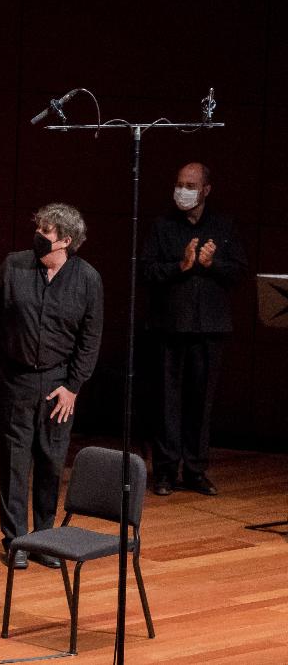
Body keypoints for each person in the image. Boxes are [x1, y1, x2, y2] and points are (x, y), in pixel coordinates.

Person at [0, 203, 103, 569]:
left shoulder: (88, 279)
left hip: (59, 385)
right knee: (14, 462)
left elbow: (90, 339)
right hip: (17, 380)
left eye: (45, 233)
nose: (38, 237)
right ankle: (15, 541)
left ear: (65, 240)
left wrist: (73, 386)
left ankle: (45, 540)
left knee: (50, 461)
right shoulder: (15, 265)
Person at [142, 162, 246, 497]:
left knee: (201, 403)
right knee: (166, 402)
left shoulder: (223, 225)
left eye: (190, 184)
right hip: (169, 327)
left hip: (209, 329)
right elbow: (147, 272)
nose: (183, 190)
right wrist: (181, 266)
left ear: (205, 190)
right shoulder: (162, 226)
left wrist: (210, 264)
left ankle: (196, 470)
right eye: (179, 183)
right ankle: (166, 471)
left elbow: (238, 273)